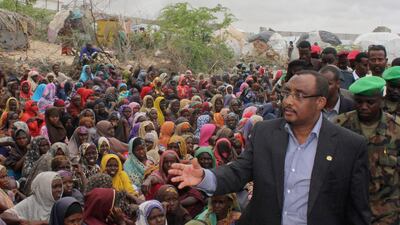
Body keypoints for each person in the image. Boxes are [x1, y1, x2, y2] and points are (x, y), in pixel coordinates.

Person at [169, 71, 371, 224]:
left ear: (320, 102)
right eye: (287, 93)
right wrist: (205, 177)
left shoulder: (349, 146)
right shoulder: (264, 133)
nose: (288, 101)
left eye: (299, 95)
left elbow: (357, 212)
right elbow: (238, 171)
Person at [335, 76, 399, 224]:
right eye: (359, 102)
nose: (364, 106)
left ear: (381, 101)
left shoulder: (396, 129)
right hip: (349, 208)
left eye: (370, 102)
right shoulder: (339, 126)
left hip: (387, 210)